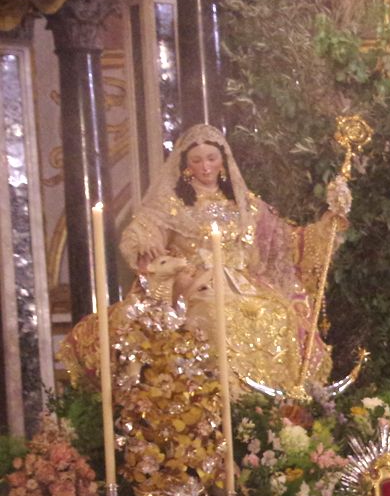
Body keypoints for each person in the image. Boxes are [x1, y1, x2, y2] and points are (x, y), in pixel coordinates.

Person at [68, 123, 349, 399]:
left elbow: (288, 242)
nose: (205, 167)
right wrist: (147, 242)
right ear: (186, 164)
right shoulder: (173, 204)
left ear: (222, 161)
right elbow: (140, 232)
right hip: (197, 286)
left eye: (211, 158)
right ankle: (224, 398)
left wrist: (329, 224)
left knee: (275, 313)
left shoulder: (245, 204)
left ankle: (268, 404)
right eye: (197, 160)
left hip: (243, 285)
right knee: (217, 317)